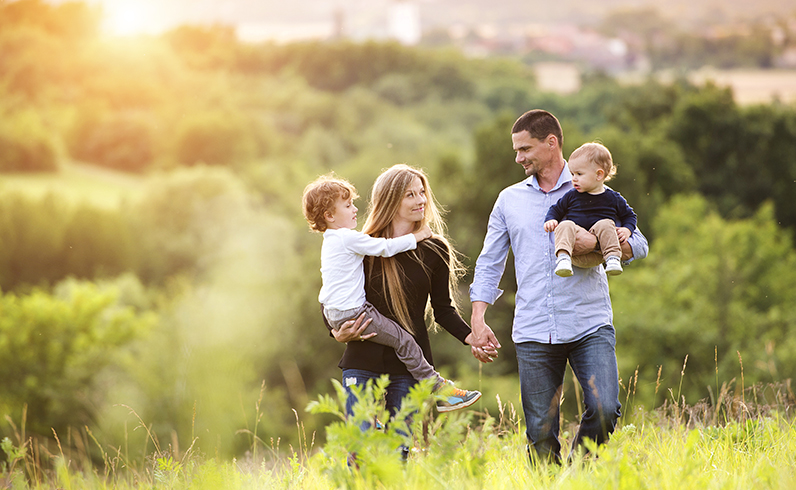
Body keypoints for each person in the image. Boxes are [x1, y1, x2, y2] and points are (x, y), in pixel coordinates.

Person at [468, 109, 649, 464]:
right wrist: (478, 317)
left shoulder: (598, 190)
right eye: (516, 150)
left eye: (525, 149)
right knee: (539, 431)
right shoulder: (509, 200)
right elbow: (490, 261)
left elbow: (639, 244)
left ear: (551, 143)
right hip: (534, 327)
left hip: (589, 322)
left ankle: (576, 477)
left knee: (604, 409)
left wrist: (600, 245)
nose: (518, 157)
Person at [302, 173, 481, 412]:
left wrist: (471, 337)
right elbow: (332, 293)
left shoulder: (434, 249)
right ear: (391, 200)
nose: (421, 200)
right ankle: (438, 388)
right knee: (361, 443)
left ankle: (439, 389)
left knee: (399, 448)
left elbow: (443, 310)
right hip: (362, 361)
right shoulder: (365, 245)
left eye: (422, 192)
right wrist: (336, 333)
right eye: (410, 194)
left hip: (408, 367)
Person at [543, 142, 637, 277]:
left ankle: (613, 259)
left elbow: (630, 216)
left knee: (605, 223)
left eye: (579, 174)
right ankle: (563, 258)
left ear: (599, 175)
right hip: (575, 251)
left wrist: (627, 229)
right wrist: (551, 220)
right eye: (572, 173)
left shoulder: (613, 198)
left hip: (601, 255)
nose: (573, 179)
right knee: (566, 224)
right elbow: (556, 209)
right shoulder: (571, 195)